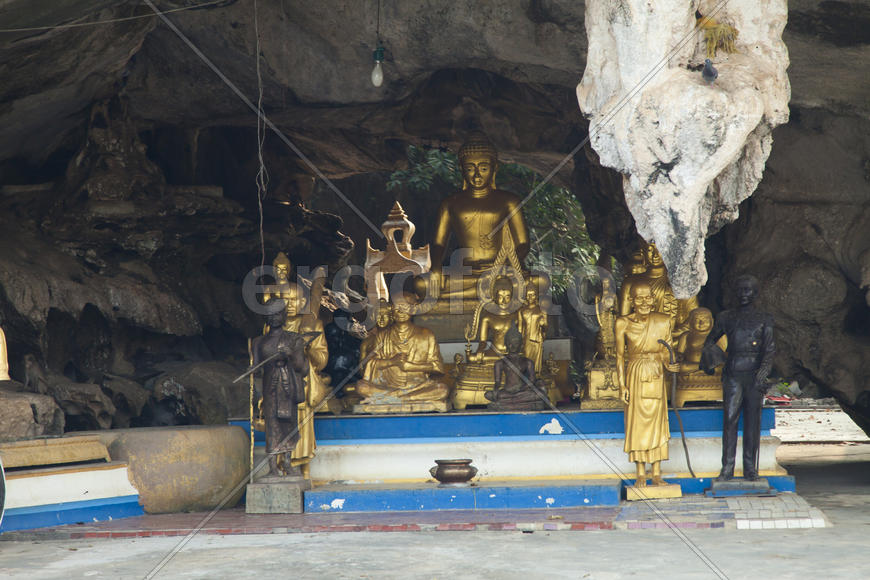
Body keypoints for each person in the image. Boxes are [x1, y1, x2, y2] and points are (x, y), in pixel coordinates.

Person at [702, 275, 775, 481]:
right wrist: (715, 358)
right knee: (730, 419)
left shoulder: (765, 319)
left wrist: (762, 373)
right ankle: (727, 468)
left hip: (754, 374)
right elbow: (709, 341)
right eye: (740, 290)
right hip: (733, 372)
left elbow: (769, 350)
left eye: (748, 290)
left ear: (755, 293)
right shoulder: (726, 317)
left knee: (752, 422)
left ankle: (750, 468)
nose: (744, 294)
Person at [615, 282, 679, 487]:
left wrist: (671, 365)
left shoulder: (663, 321)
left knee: (658, 423)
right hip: (634, 373)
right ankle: (641, 472)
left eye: (648, 297)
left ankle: (657, 473)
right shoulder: (622, 323)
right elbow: (619, 356)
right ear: (632, 300)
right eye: (639, 298)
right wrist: (621, 386)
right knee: (637, 424)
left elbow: (667, 351)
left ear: (654, 299)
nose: (644, 302)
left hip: (656, 373)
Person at [353, 295, 449, 407]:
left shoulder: (426, 335)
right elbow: (371, 363)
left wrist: (411, 367)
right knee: (361, 387)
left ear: (414, 309)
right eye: (397, 308)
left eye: (406, 307)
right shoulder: (382, 335)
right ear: (391, 310)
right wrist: (392, 362)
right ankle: (402, 398)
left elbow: (438, 367)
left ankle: (395, 398)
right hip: (387, 385)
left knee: (442, 389)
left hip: (417, 385)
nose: (401, 312)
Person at [250, 300, 311, 477]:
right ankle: (272, 467)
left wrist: (290, 354)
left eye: (277, 314)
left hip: (287, 387)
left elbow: (300, 366)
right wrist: (252, 370)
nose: (274, 318)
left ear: (284, 315)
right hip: (270, 387)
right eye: (270, 314)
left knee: (288, 423)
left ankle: (287, 462)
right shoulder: (258, 342)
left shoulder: (293, 339)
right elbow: (256, 367)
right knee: (272, 425)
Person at [485, 325, 547, 411]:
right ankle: (519, 403)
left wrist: (520, 390)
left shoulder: (527, 362)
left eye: (515, 343)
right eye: (510, 343)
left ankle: (508, 403)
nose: (512, 346)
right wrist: (495, 390)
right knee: (488, 394)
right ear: (506, 344)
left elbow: (532, 381)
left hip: (522, 391)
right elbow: (497, 382)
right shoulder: (500, 363)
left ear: (521, 345)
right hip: (507, 392)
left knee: (540, 394)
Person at [519, 285, 547, 372]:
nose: (530, 297)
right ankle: (527, 376)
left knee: (536, 362)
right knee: (526, 358)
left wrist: (543, 325)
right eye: (528, 295)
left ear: (536, 296)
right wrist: (519, 341)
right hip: (526, 339)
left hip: (537, 339)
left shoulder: (542, 310)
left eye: (532, 295)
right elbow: (520, 328)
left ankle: (536, 375)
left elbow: (546, 326)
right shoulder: (521, 311)